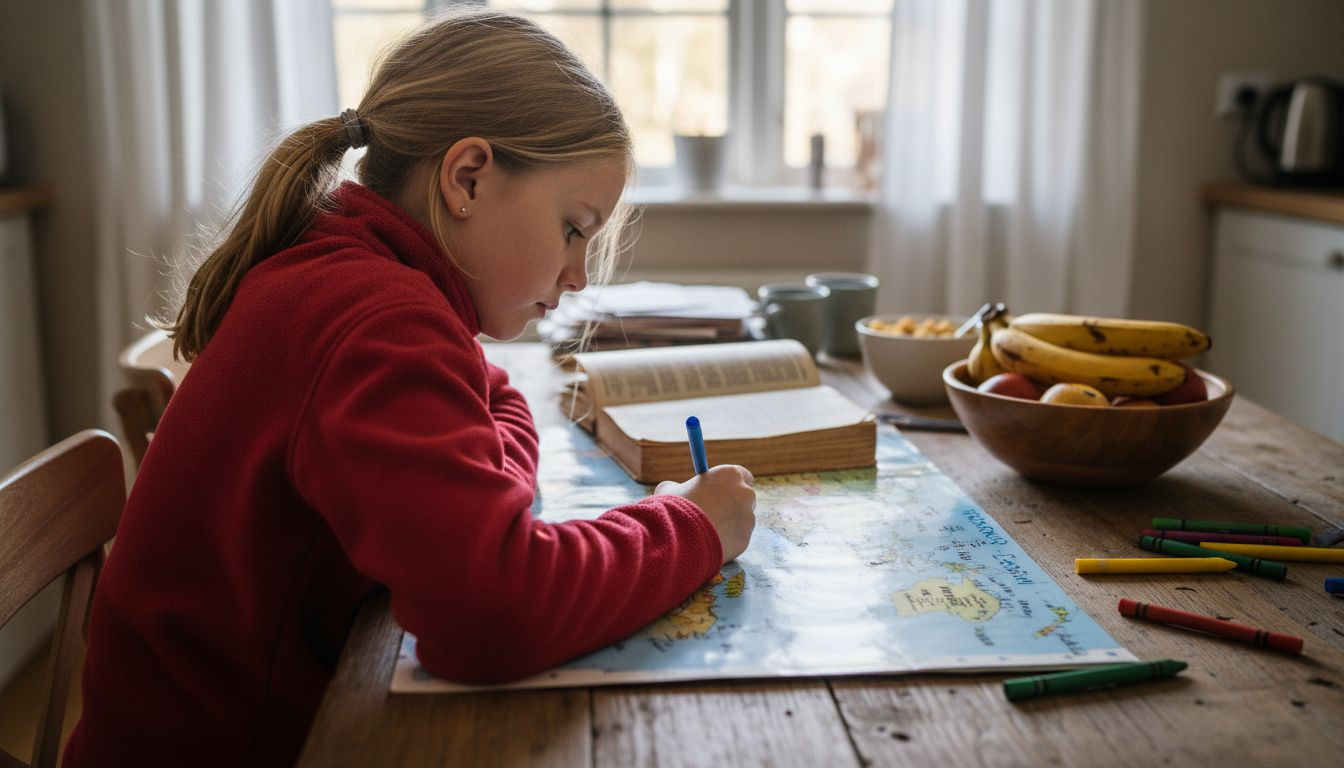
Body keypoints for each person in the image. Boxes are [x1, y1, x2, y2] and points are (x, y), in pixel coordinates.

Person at [64, 8, 756, 767]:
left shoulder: (348, 272)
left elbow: (493, 398)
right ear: (468, 178)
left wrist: (494, 479)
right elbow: (493, 618)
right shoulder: (378, 323)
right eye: (572, 227)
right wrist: (694, 528)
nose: (577, 275)